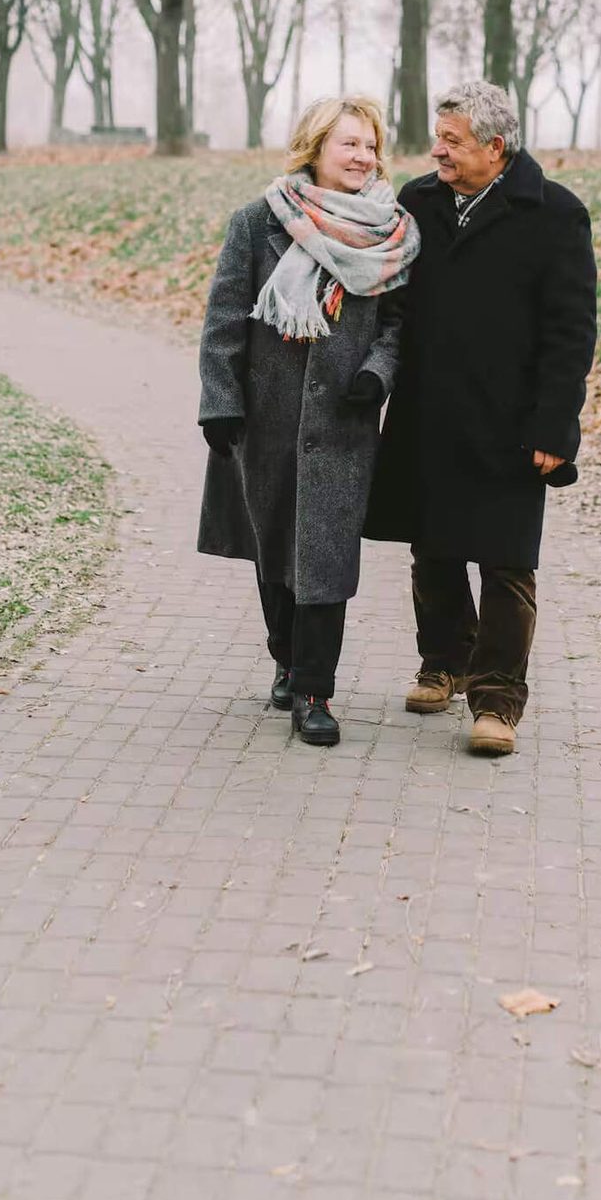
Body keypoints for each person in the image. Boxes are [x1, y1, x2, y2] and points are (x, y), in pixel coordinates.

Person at [365, 80, 597, 757]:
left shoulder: (554, 214)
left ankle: (496, 700)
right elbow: (390, 298)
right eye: (438, 137)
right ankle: (443, 662)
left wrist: (555, 424)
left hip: (510, 419)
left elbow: (570, 330)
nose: (437, 150)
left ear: (495, 148)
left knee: (505, 561)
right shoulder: (416, 202)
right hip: (426, 408)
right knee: (431, 546)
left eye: (452, 141)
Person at [197, 97, 418, 746]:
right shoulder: (256, 223)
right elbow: (224, 320)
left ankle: (314, 692)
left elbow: (401, 324)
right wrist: (220, 403)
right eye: (349, 144)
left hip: (343, 423)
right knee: (274, 555)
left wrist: (377, 372)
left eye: (371, 146)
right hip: (265, 421)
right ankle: (286, 661)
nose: (363, 158)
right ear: (315, 148)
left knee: (324, 561)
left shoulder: (391, 233)